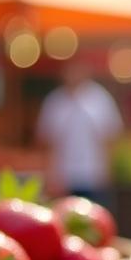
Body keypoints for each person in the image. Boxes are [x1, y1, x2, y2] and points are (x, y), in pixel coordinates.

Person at [36, 61, 124, 202]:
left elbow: (110, 137)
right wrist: (51, 174)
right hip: (64, 176)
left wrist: (108, 170)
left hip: (94, 175)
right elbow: (47, 141)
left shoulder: (100, 99)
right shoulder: (55, 101)